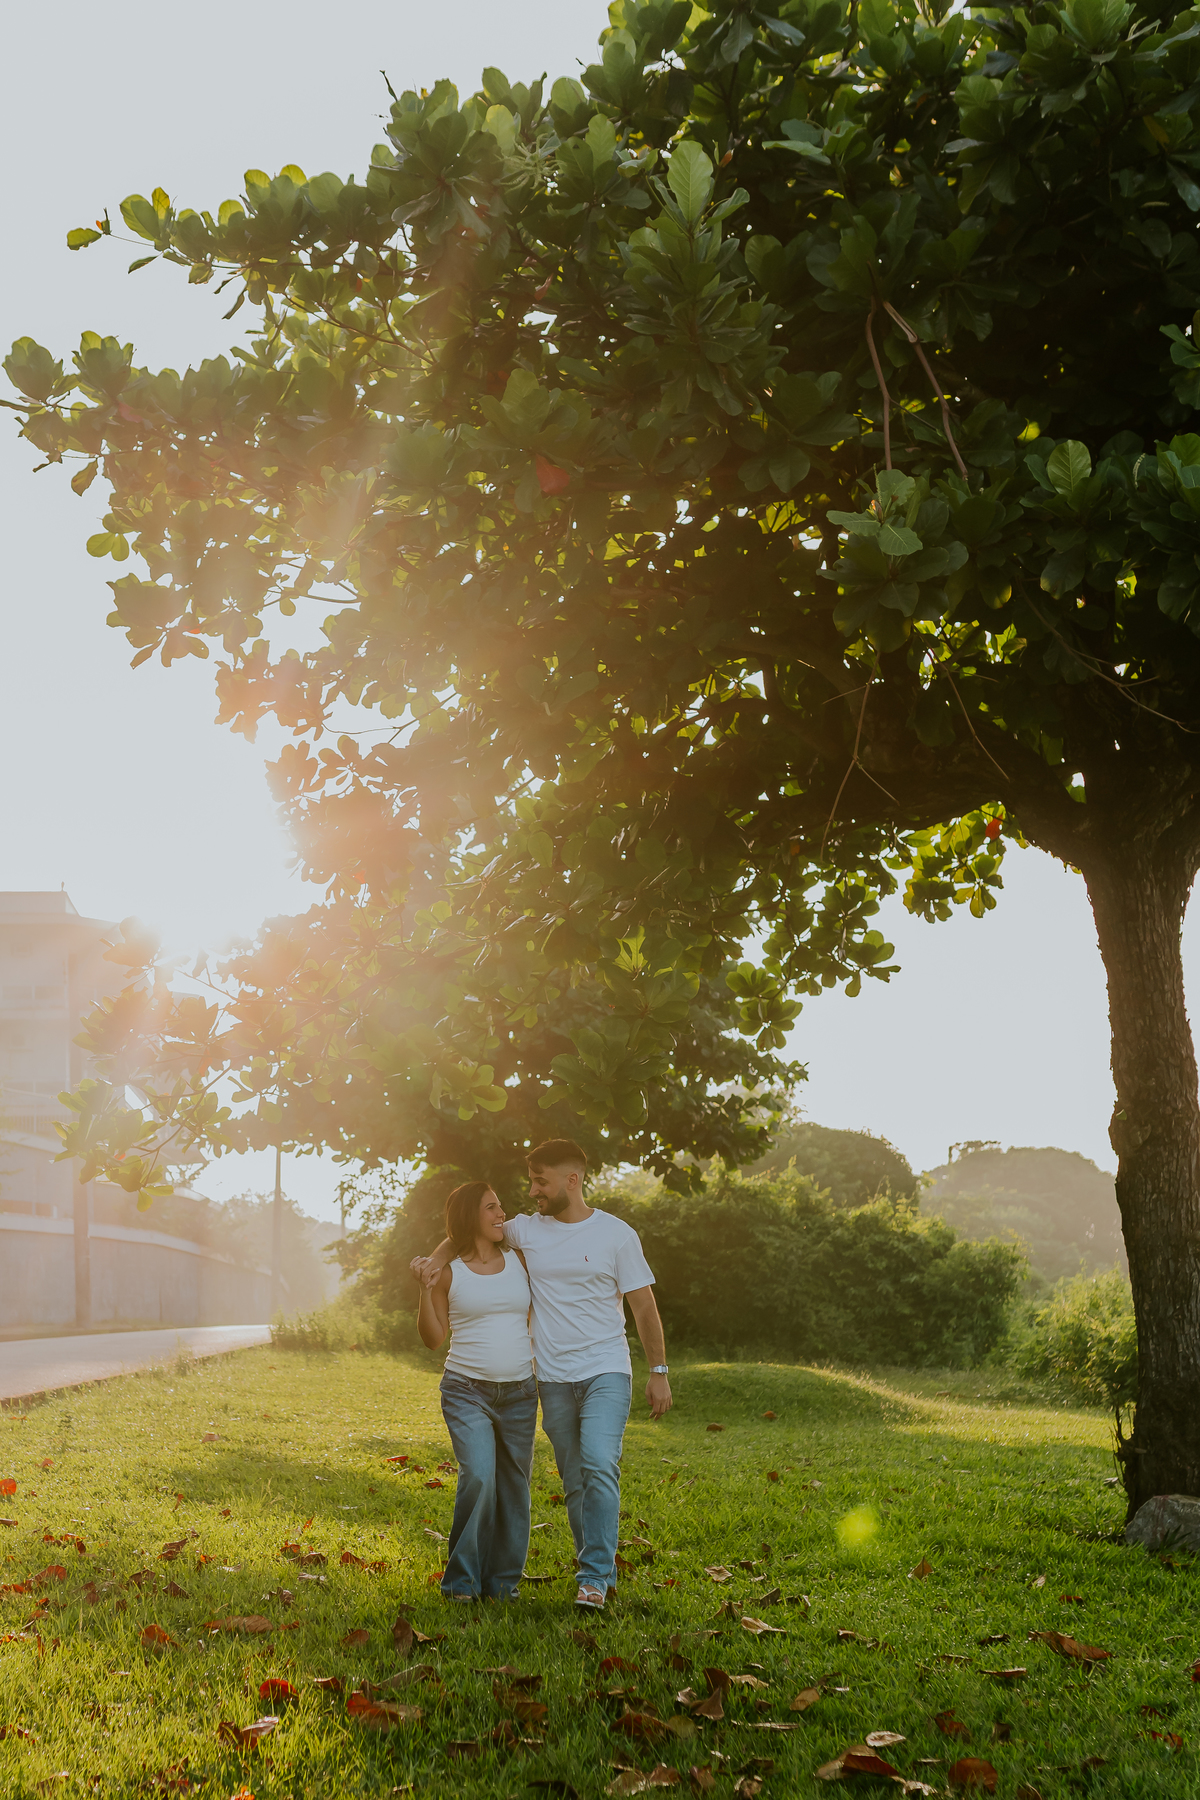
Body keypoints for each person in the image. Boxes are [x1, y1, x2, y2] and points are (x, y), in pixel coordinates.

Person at [412, 1138, 672, 1612]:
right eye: (530, 1180)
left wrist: (658, 1370)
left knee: (597, 1462)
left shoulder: (617, 1235)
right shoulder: (527, 1232)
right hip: (550, 1378)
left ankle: (593, 1576)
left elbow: (644, 1306)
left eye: (540, 1181)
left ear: (571, 1180)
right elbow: (464, 1226)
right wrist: (433, 1262)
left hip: (605, 1370)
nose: (531, 1191)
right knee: (573, 1478)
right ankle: (588, 1571)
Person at [413, 1179, 538, 1603]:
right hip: (467, 1390)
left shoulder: (520, 1258)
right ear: (471, 1216)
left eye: (500, 1205)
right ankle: (460, 1583)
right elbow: (433, 1340)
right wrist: (426, 1290)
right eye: (491, 1207)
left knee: (515, 1487)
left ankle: (503, 1584)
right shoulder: (449, 1272)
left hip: (521, 1392)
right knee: (480, 1476)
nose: (501, 1213)